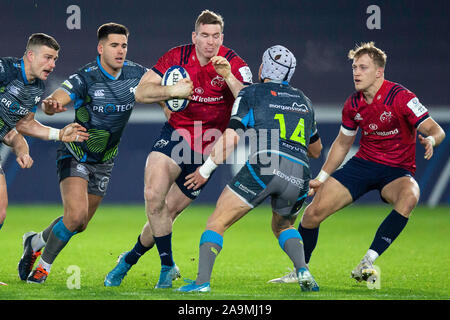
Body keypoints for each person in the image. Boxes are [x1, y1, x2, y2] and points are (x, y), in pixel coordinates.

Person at [269, 41, 446, 284]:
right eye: (354, 67)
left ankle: (368, 260)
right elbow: (342, 144)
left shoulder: (402, 97)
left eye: (363, 68)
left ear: (379, 72)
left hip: (396, 171)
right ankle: (301, 270)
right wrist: (321, 178)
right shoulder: (353, 104)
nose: (356, 73)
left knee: (410, 196)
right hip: (363, 165)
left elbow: (435, 129)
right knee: (311, 215)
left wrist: (432, 140)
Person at [104, 9, 253, 288]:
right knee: (153, 195)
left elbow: (250, 103)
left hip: (209, 146)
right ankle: (166, 266)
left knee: (168, 212)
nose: (211, 42)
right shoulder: (177, 57)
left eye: (216, 36)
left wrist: (229, 77)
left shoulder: (234, 63)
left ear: (223, 37)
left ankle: (130, 258)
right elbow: (140, 92)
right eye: (205, 36)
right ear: (194, 36)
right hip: (177, 134)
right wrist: (172, 92)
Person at [176, 45, 322, 293]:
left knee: (216, 222)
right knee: (283, 226)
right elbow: (316, 150)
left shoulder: (251, 94)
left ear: (263, 68)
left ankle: (201, 283)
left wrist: (205, 170)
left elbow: (232, 138)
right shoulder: (304, 101)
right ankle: (303, 269)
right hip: (300, 171)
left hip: (266, 163)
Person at [18, 23, 148, 284]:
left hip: (105, 160)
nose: (120, 50)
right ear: (101, 48)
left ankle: (35, 241)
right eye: (114, 45)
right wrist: (54, 106)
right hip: (75, 153)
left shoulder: (137, 74)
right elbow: (59, 97)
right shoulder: (86, 76)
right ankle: (42, 268)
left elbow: (158, 87)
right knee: (75, 215)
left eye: (123, 45)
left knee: (79, 223)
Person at [0, 33, 89, 232]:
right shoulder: (5, 70)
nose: (53, 64)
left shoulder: (37, 87)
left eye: (55, 59)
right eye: (48, 58)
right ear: (31, 55)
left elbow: (25, 125)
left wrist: (59, 134)